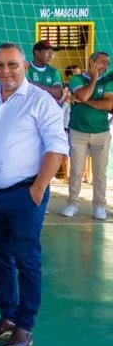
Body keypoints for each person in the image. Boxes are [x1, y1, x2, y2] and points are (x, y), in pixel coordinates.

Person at [0, 44, 68, 346]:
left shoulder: (41, 102)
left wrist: (39, 188)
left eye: (12, 65)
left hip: (25, 195)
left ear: (25, 66)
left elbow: (57, 147)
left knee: (27, 261)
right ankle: (7, 317)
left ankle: (25, 325)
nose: (6, 71)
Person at [61, 51, 112, 220]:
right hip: (78, 132)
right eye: (102, 62)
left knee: (100, 173)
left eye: (107, 63)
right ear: (91, 62)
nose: (105, 66)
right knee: (76, 170)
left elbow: (108, 104)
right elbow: (83, 94)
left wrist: (83, 100)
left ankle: (99, 206)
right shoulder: (77, 79)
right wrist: (93, 79)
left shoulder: (109, 81)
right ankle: (73, 203)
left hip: (101, 133)